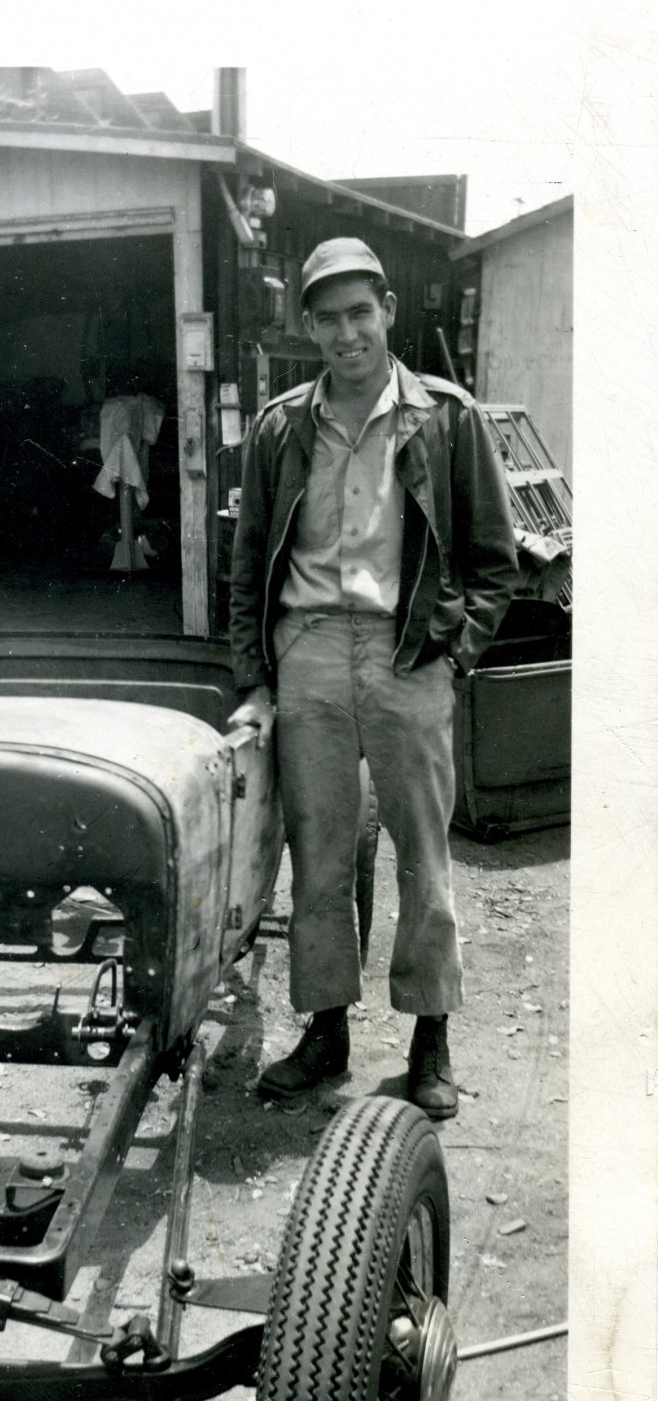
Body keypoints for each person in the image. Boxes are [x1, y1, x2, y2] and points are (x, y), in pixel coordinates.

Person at [228, 237, 518, 1120]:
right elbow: (246, 567)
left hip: (407, 656)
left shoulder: (445, 416)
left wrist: (454, 648)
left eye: (360, 312)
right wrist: (255, 676)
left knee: (423, 859)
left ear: (387, 310)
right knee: (315, 857)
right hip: (307, 651)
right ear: (308, 326)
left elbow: (494, 560)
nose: (346, 332)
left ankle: (431, 1038)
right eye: (327, 317)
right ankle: (326, 1035)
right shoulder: (282, 425)